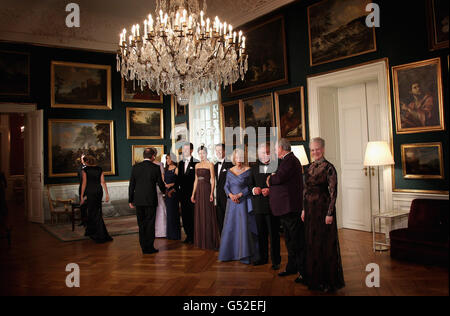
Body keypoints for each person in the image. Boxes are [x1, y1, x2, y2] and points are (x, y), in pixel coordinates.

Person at [301, 138, 345, 293]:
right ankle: (314, 278)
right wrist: (303, 209)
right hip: (310, 211)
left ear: (323, 149)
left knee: (325, 245)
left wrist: (330, 213)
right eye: (312, 150)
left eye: (317, 149)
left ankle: (328, 281)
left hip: (323, 210)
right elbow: (305, 190)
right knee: (312, 244)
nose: (315, 152)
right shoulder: (308, 167)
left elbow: (333, 192)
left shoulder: (329, 168)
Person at [267, 138, 305, 284]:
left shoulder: (290, 160)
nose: (275, 151)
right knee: (289, 241)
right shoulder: (286, 160)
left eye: (276, 149)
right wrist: (273, 177)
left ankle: (303, 272)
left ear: (282, 148)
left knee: (296, 241)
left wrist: (271, 178)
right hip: (285, 209)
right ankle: (292, 267)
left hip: (290, 208)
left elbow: (279, 178)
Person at [218, 148, 259, 265]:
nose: (239, 159)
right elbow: (226, 186)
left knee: (243, 227)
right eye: (237, 157)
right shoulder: (230, 171)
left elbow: (250, 186)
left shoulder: (249, 170)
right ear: (234, 158)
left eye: (240, 157)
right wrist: (230, 195)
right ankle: (230, 253)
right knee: (231, 227)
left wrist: (240, 194)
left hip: (243, 202)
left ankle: (244, 254)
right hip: (232, 203)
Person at [249, 143, 281, 270]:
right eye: (263, 152)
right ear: (258, 154)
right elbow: (249, 185)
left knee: (274, 235)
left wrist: (270, 190)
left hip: (273, 207)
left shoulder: (277, 167)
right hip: (258, 207)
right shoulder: (254, 168)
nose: (265, 155)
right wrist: (253, 189)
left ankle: (276, 261)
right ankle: (262, 258)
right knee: (261, 234)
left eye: (268, 152)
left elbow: (281, 187)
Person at [129, 148, 166, 254]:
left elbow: (132, 185)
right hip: (150, 200)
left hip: (138, 200)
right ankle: (149, 247)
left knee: (141, 224)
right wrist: (165, 193)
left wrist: (130, 200)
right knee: (150, 223)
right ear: (153, 156)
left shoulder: (135, 167)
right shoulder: (155, 167)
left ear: (143, 156)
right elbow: (160, 183)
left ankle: (143, 246)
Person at [191, 146, 220, 250]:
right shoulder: (197, 165)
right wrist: (193, 194)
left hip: (207, 190)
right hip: (199, 191)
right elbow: (195, 180)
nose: (201, 155)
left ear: (207, 153)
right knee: (200, 214)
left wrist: (212, 193)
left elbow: (213, 179)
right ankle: (201, 240)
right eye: (200, 153)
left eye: (203, 153)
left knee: (207, 214)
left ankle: (209, 240)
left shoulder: (210, 164)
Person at [80, 155, 113, 244]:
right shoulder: (99, 169)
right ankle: (91, 232)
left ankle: (100, 234)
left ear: (86, 162)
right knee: (96, 211)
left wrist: (82, 195)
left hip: (90, 191)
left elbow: (84, 183)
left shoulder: (85, 170)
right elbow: (103, 182)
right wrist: (107, 194)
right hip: (98, 191)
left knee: (92, 212)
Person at [177, 143, 199, 244]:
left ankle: (195, 236)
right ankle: (188, 236)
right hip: (183, 194)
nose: (185, 151)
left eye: (187, 149)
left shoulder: (196, 163)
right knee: (185, 216)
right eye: (183, 149)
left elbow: (197, 180)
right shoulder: (180, 163)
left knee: (193, 215)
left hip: (193, 194)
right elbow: (178, 179)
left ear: (191, 150)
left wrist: (194, 194)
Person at [214, 143, 233, 234]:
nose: (218, 152)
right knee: (220, 219)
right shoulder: (214, 165)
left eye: (220, 150)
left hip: (227, 196)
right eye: (216, 150)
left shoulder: (230, 164)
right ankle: (223, 240)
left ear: (225, 151)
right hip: (218, 197)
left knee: (229, 219)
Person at [164, 154, 181, 241]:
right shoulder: (165, 169)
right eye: (166, 158)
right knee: (169, 214)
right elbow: (163, 180)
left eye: (169, 158)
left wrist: (171, 185)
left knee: (174, 213)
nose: (167, 160)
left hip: (174, 192)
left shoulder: (176, 169)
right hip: (166, 192)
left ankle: (175, 235)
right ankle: (169, 234)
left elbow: (179, 182)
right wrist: (165, 186)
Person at [154, 159, 167, 238]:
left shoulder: (159, 164)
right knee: (160, 207)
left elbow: (162, 176)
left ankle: (160, 231)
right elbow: (162, 177)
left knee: (159, 207)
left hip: (156, 188)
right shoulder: (159, 164)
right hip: (157, 187)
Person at [77, 153, 88, 227]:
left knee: (89, 206)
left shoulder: (91, 167)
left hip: (90, 188)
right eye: (81, 159)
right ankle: (83, 221)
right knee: (82, 206)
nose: (83, 160)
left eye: (84, 158)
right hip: (82, 189)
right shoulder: (79, 168)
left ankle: (90, 221)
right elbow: (79, 178)